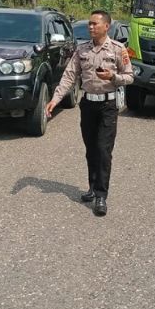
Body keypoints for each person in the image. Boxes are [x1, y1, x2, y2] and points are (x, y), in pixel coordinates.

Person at [45, 11, 134, 217]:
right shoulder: (82, 49)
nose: (91, 27)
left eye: (95, 24)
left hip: (108, 106)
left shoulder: (118, 49)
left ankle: (101, 195)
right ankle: (93, 187)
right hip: (88, 105)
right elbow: (69, 76)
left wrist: (114, 76)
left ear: (107, 27)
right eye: (89, 24)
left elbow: (129, 77)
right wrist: (55, 99)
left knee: (104, 150)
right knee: (91, 149)